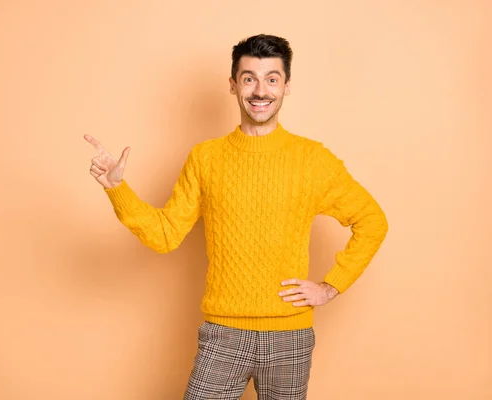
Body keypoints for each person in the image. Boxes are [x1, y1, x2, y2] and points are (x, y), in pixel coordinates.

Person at [84, 34, 388, 400]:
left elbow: (372, 221)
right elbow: (165, 235)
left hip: (290, 337)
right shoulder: (206, 158)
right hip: (223, 336)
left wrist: (329, 286)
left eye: (271, 79)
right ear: (233, 85)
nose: (261, 90)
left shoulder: (313, 159)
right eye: (249, 78)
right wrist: (117, 188)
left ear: (286, 86)